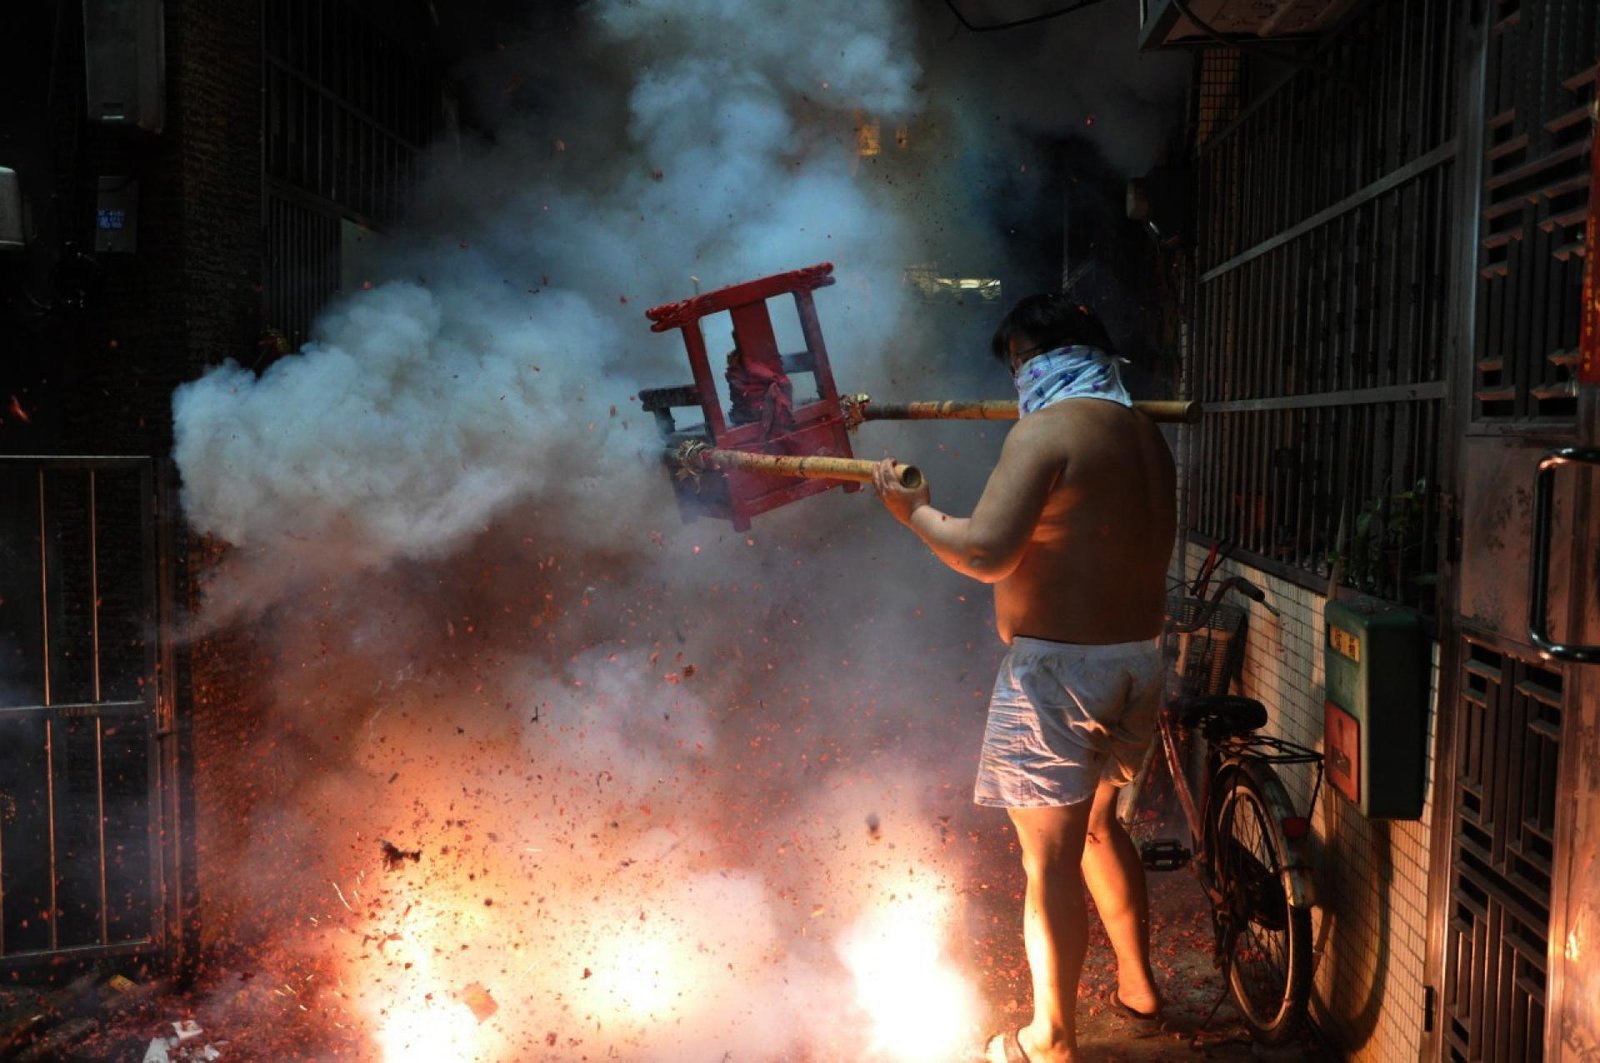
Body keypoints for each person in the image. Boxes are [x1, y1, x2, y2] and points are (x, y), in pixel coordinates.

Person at [871, 294, 1177, 1063]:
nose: (1015, 379)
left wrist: (913, 512)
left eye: (1017, 363)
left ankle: (1050, 1038)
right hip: (1136, 661)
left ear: (1034, 359)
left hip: (1059, 679)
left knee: (1048, 862)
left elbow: (985, 553)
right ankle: (1140, 988)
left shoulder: (1046, 432)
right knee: (1105, 829)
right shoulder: (1145, 434)